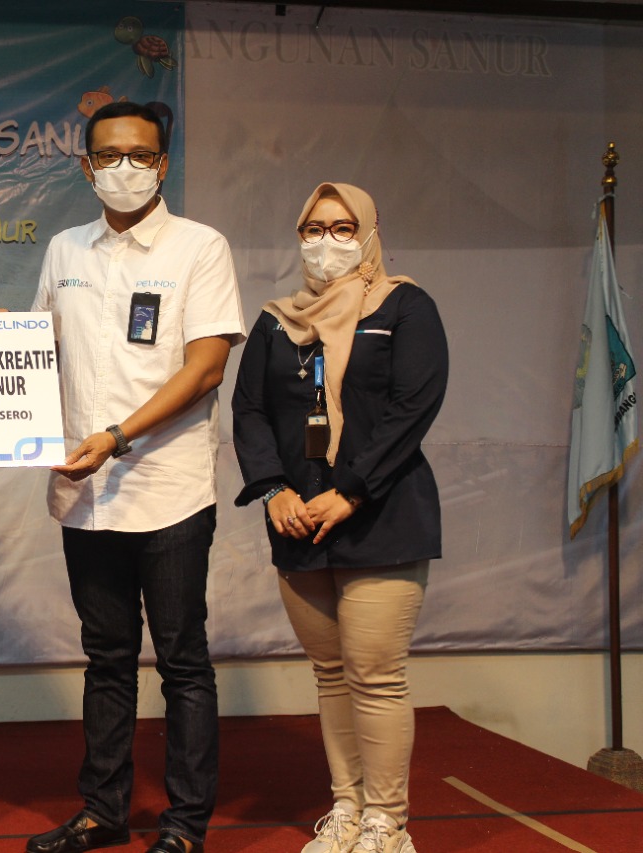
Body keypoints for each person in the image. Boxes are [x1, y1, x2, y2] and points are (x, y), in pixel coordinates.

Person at [25, 102, 245, 853]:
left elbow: (207, 365)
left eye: (139, 155)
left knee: (182, 660)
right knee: (106, 658)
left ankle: (184, 824)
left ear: (163, 164)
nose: (124, 169)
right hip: (87, 497)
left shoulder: (199, 247)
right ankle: (103, 809)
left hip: (170, 489)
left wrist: (117, 435)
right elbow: (36, 348)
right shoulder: (64, 249)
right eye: (108, 156)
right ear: (85, 166)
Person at [231, 183, 448, 853]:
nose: (327, 241)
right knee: (330, 674)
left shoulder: (405, 306)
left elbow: (415, 405)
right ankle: (347, 812)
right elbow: (249, 411)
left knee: (375, 672)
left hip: (380, 514)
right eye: (314, 228)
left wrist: (351, 489)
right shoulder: (277, 320)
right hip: (298, 519)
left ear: (370, 233)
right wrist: (273, 490)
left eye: (343, 227)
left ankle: (388, 822)